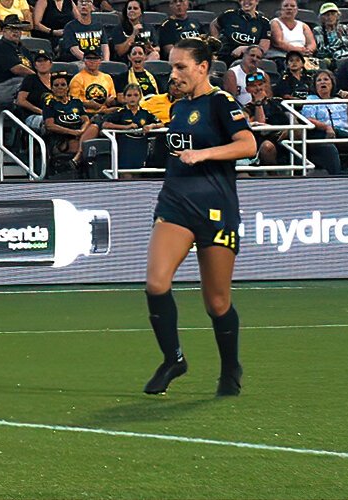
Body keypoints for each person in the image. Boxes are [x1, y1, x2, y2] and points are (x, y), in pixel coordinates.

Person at [140, 37, 254, 398]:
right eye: (171, 66)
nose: (173, 74)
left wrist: (204, 154)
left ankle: (230, 368)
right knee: (156, 283)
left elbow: (248, 145)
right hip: (175, 203)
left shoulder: (221, 102)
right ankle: (173, 359)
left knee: (217, 303)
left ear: (203, 68)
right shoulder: (176, 107)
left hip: (216, 210)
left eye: (180, 67)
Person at [42, 72, 96, 176]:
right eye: (56, 85)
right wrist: (73, 132)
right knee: (87, 146)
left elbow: (85, 120)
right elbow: (49, 125)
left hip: (79, 135)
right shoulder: (49, 103)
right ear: (52, 88)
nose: (60, 88)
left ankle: (77, 159)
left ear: (68, 88)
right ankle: (79, 161)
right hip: (62, 139)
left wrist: (82, 131)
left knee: (94, 126)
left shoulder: (76, 102)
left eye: (63, 85)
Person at [71, 50, 118, 115]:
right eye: (89, 58)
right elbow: (73, 102)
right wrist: (88, 104)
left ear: (100, 61)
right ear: (84, 61)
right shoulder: (77, 79)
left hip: (106, 112)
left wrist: (111, 101)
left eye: (95, 58)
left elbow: (112, 97)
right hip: (87, 114)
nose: (92, 61)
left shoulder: (107, 77)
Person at [312, 3, 348, 70]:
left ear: (337, 15)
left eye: (333, 14)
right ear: (322, 17)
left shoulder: (344, 28)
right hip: (331, 60)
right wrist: (340, 41)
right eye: (327, 15)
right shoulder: (318, 30)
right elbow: (322, 51)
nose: (330, 17)